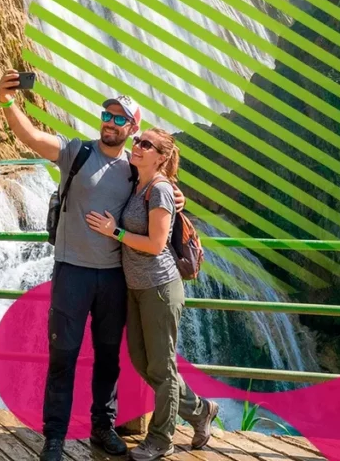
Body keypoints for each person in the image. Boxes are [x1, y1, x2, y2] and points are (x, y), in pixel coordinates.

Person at [0, 70, 186, 461]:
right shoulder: (77, 152)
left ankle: (103, 427)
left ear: (132, 129)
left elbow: (162, 191)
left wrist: (178, 197)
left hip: (114, 277)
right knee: (62, 356)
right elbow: (30, 137)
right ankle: (54, 437)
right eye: (107, 115)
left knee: (108, 358)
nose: (110, 122)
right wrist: (6, 100)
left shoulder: (135, 169)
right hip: (72, 271)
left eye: (120, 119)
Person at [86, 127, 219, 461]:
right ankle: (201, 410)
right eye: (137, 141)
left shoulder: (159, 189)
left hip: (159, 287)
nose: (138, 146)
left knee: (162, 366)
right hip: (136, 288)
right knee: (143, 362)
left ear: (161, 157)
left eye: (147, 144)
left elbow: (156, 244)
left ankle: (161, 439)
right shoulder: (137, 182)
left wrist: (114, 232)